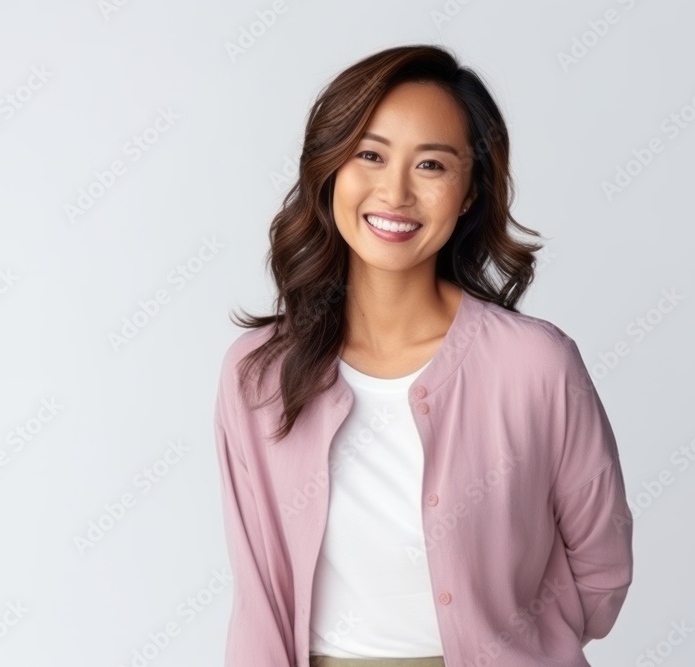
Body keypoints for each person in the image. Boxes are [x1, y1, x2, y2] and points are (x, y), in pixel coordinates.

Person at [213, 44, 634, 667]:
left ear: (469, 192)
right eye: (370, 155)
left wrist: (519, 643)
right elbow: (259, 592)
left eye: (432, 165)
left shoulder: (535, 366)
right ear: (330, 170)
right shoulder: (259, 373)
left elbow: (603, 568)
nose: (396, 191)